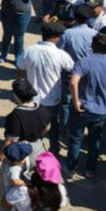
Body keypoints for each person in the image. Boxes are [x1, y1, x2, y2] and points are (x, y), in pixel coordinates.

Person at [67, 33, 106, 178]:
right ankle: (90, 169)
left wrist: (76, 101)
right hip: (101, 111)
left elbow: (73, 82)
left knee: (75, 139)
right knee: (95, 140)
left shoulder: (84, 62)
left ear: (93, 46)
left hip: (82, 108)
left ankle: (71, 167)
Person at [18, 21, 74, 154]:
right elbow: (72, 69)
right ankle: (53, 149)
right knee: (53, 126)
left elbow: (20, 69)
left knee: (32, 125)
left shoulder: (29, 51)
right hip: (52, 99)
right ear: (55, 37)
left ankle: (30, 151)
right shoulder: (61, 55)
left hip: (33, 99)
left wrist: (19, 85)